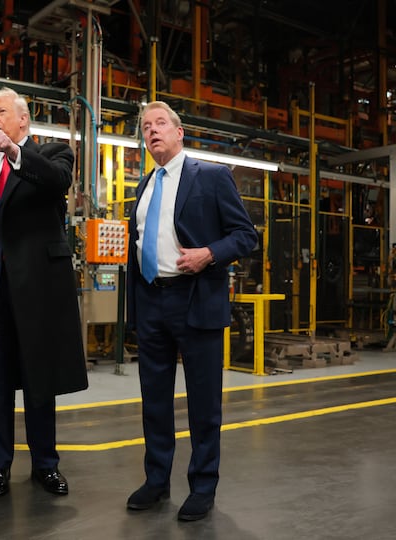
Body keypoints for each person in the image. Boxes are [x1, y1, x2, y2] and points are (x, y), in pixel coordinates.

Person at [125, 101, 257, 521]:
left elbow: (245, 236)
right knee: (155, 400)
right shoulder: (144, 187)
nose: (152, 131)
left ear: (180, 132)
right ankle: (156, 480)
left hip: (194, 298)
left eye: (160, 123)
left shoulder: (212, 177)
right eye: (146, 127)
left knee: (203, 403)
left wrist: (209, 254)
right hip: (151, 300)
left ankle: (202, 486)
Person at [0, 87, 88, 498]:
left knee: (38, 383)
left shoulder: (52, 154)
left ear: (22, 120)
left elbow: (57, 183)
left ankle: (45, 465)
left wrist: (14, 152)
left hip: (37, 294)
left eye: (0, 111)